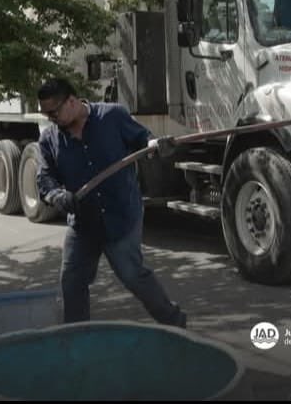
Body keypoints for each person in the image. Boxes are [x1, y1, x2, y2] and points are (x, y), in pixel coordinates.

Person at [36, 77, 186, 328]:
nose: (50, 118)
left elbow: (143, 140)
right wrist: (56, 195)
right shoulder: (49, 139)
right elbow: (45, 178)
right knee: (72, 280)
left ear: (71, 101)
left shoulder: (112, 117)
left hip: (121, 216)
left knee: (133, 275)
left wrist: (155, 145)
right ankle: (76, 337)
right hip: (83, 223)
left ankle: (175, 324)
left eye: (54, 112)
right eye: (46, 114)